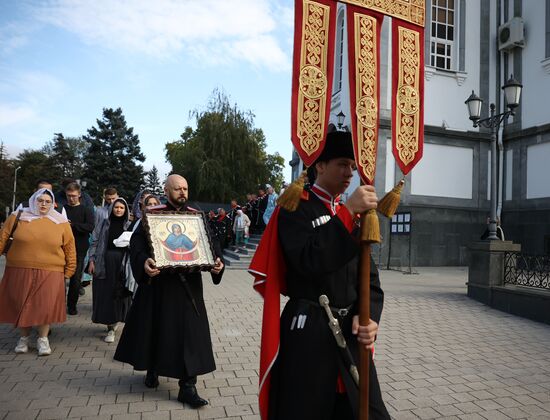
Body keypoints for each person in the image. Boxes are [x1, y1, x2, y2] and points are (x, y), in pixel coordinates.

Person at [249, 131, 390, 419]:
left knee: (369, 411)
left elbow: (369, 278)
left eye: (352, 165)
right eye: (342, 164)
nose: (349, 172)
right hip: (309, 331)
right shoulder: (294, 207)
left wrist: (370, 317)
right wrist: (348, 211)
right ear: (320, 166)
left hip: (350, 331)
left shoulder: (353, 215)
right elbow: (309, 260)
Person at [114, 174, 225, 408]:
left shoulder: (196, 217)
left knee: (190, 336)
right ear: (166, 190)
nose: (182, 192)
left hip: (189, 289)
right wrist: (144, 262)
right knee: (156, 329)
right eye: (177, 189)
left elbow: (211, 243)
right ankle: (152, 368)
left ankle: (188, 386)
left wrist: (217, 261)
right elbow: (137, 246)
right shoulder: (153, 216)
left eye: (185, 188)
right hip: (159, 286)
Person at [0, 188, 76, 356]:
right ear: (33, 200)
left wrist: (70, 269)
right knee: (21, 303)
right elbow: (3, 236)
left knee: (44, 306)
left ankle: (43, 339)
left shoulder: (60, 221)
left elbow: (70, 246)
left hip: (51, 270)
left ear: (53, 203)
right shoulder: (18, 216)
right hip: (20, 267)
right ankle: (24, 339)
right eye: (40, 200)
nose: (43, 204)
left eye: (47, 202)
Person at [88, 198, 133, 343]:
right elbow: (94, 242)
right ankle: (110, 326)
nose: (118, 210)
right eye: (116, 207)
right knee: (106, 294)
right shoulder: (104, 223)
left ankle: (116, 322)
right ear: (112, 208)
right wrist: (91, 260)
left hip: (123, 263)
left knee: (120, 293)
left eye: (121, 208)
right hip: (104, 262)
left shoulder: (129, 225)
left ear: (126, 210)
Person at [63, 182, 95, 315]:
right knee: (59, 279)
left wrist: (73, 225)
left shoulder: (85, 210)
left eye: (74, 196)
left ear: (79, 195)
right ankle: (58, 304)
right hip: (61, 248)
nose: (71, 198)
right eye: (69, 196)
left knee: (75, 279)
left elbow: (89, 227)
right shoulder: (62, 209)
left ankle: (72, 305)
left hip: (79, 248)